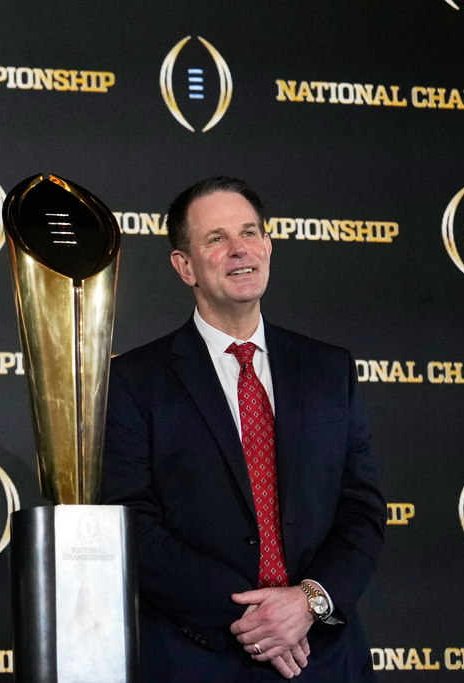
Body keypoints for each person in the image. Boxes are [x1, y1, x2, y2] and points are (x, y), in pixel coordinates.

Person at [101, 176, 385, 681]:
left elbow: (361, 509)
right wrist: (255, 619)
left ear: (268, 245)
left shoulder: (329, 369)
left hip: (325, 655)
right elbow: (131, 525)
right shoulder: (134, 380)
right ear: (184, 265)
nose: (240, 250)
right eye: (216, 239)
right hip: (200, 656)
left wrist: (306, 602)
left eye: (250, 232)